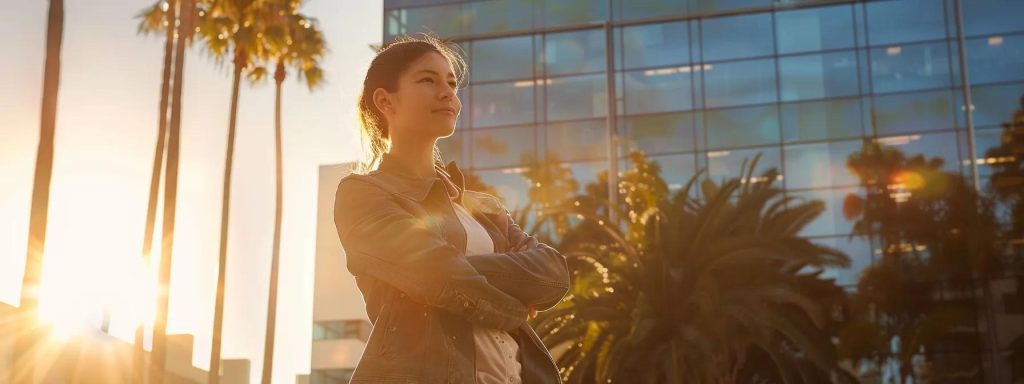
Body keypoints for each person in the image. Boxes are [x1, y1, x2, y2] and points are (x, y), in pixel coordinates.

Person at [333, 34, 571, 384]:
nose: (447, 93)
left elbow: (552, 274)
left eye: (451, 83)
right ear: (385, 101)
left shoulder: (483, 206)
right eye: (427, 80)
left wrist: (450, 272)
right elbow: (434, 272)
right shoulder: (363, 193)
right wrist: (514, 306)